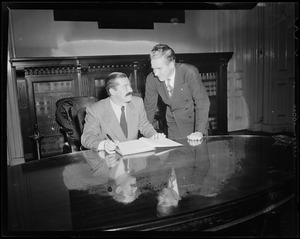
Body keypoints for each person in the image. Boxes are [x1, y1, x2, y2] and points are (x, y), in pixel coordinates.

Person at [81, 72, 166, 154]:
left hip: (134, 160)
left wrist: (154, 136)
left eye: (130, 86)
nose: (131, 90)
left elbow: (145, 126)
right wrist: (103, 145)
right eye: (125, 87)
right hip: (109, 160)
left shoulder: (137, 103)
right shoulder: (96, 109)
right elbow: (86, 138)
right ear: (112, 91)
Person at [144, 43, 210, 140]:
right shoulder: (151, 79)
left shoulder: (188, 72)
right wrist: (146, 134)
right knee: (176, 153)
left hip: (193, 122)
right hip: (173, 122)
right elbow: (149, 108)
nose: (155, 73)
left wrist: (199, 131)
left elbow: (202, 102)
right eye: (153, 68)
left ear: (171, 64)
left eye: (159, 68)